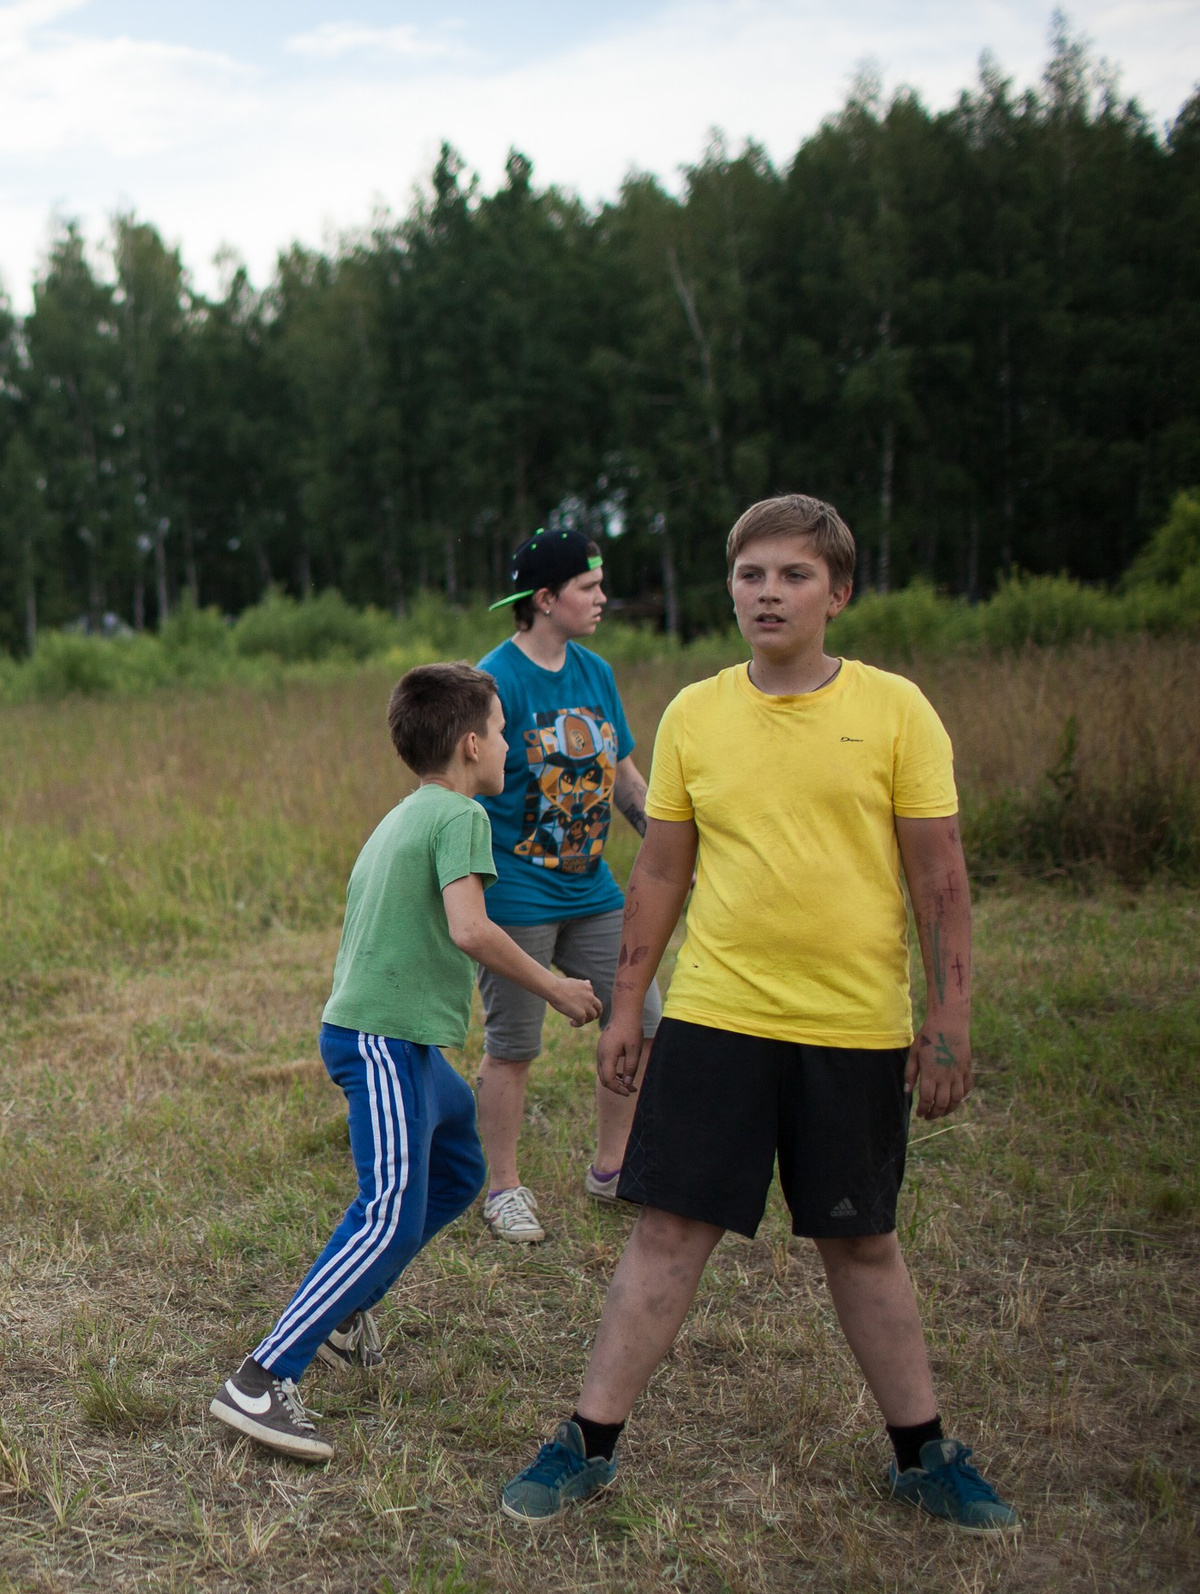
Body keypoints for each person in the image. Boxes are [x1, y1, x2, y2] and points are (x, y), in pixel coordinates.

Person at [499, 494, 1020, 1534]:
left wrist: (950, 1016)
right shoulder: (697, 712)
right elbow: (658, 869)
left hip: (854, 1029)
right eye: (749, 575)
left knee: (861, 1240)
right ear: (728, 588)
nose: (767, 593)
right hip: (716, 1020)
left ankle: (923, 1456)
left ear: (838, 592)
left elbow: (941, 878)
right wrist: (628, 1008)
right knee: (668, 1230)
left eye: (791, 575)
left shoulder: (897, 711)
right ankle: (586, 1446)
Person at [209, 663, 602, 1463]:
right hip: (382, 1040)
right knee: (389, 1206)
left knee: (458, 1169)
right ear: (468, 744)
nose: (507, 743)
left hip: (409, 1045)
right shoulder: (460, 815)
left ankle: (347, 1313)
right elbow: (470, 928)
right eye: (498, 730)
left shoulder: (408, 813)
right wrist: (554, 985)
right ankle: (260, 1378)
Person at [470, 528, 663, 1244]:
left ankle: (613, 1167)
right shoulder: (494, 682)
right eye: (590, 587)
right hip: (516, 887)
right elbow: (465, 785)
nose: (603, 598)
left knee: (639, 1021)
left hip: (593, 888)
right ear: (545, 599)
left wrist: (668, 843)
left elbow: (623, 776)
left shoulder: (595, 671)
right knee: (514, 1044)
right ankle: (504, 1189)